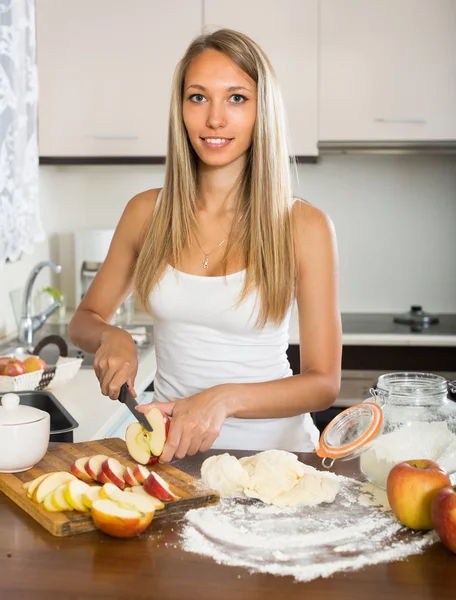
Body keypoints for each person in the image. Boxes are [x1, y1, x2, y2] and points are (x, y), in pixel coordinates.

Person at [68, 28, 342, 463]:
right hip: (176, 456)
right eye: (198, 97)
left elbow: (324, 382)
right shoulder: (146, 213)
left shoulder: (304, 226)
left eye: (236, 98)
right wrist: (111, 335)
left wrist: (222, 400)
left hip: (279, 461)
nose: (215, 119)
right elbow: (84, 319)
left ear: (261, 110)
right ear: (181, 109)